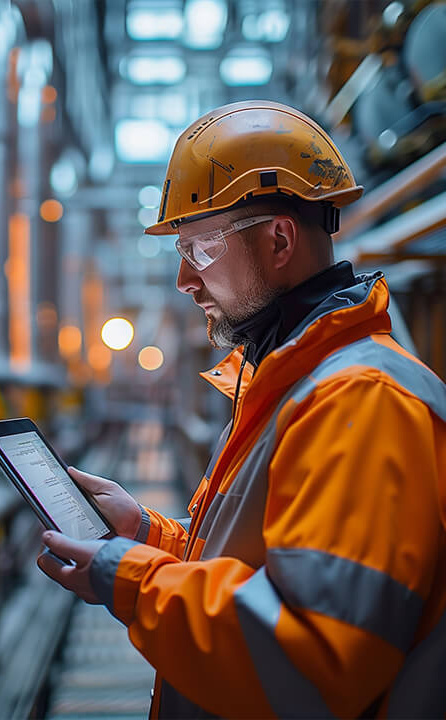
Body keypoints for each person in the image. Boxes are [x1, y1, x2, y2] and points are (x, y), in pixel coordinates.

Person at [37, 101, 446, 718]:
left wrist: (130, 578)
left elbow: (311, 659)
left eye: (198, 249)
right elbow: (257, 577)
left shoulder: (360, 401)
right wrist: (151, 538)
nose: (184, 280)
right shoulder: (290, 380)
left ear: (279, 238)